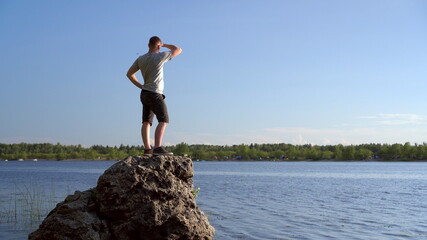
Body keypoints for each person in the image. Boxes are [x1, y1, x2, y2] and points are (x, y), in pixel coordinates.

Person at [126, 36, 182, 155]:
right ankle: (157, 148)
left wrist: (141, 86)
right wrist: (165, 44)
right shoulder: (160, 56)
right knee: (164, 120)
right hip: (155, 93)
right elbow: (178, 49)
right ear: (158, 46)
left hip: (144, 93)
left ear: (148, 45)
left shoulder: (140, 59)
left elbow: (129, 74)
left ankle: (147, 149)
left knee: (146, 122)